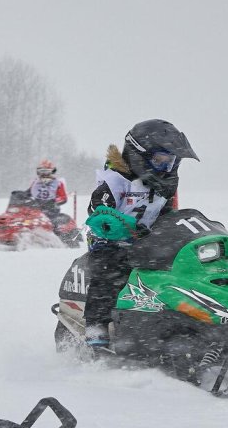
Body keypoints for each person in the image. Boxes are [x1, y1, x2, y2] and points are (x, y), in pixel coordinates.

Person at [82, 119, 199, 346]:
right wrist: (113, 222)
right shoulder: (116, 179)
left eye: (171, 162)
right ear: (139, 155)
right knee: (110, 271)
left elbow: (167, 215)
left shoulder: (165, 185)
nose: (167, 167)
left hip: (148, 241)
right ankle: (95, 326)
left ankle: (179, 319)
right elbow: (97, 209)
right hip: (109, 241)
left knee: (181, 267)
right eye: (160, 161)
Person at [25, 159, 69, 233]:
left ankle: (55, 236)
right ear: (38, 172)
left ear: (52, 172)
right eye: (42, 172)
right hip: (35, 208)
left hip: (51, 209)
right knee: (25, 220)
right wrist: (19, 196)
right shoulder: (35, 183)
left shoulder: (58, 183)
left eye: (47, 172)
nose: (44, 174)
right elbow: (28, 193)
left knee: (52, 223)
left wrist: (53, 202)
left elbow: (63, 198)